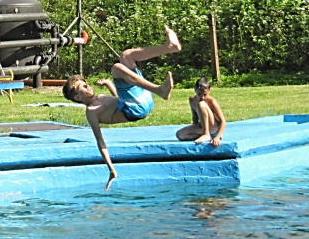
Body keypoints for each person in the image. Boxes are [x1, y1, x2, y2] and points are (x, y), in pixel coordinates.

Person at [62, 26, 181, 190]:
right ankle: (159, 90)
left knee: (126, 56)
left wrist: (109, 84)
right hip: (135, 110)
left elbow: (118, 99)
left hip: (138, 101)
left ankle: (170, 47)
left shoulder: (100, 97)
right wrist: (111, 169)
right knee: (116, 68)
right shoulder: (91, 112)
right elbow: (100, 141)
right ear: (77, 97)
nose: (88, 86)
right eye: (83, 87)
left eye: (86, 83)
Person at [176, 77, 226, 147]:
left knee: (201, 104)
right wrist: (194, 128)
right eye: (199, 94)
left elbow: (223, 121)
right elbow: (195, 116)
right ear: (195, 90)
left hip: (213, 128)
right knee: (180, 135)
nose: (202, 97)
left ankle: (207, 134)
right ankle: (206, 135)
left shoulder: (211, 101)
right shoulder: (192, 99)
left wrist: (217, 137)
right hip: (202, 126)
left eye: (205, 94)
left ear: (209, 90)